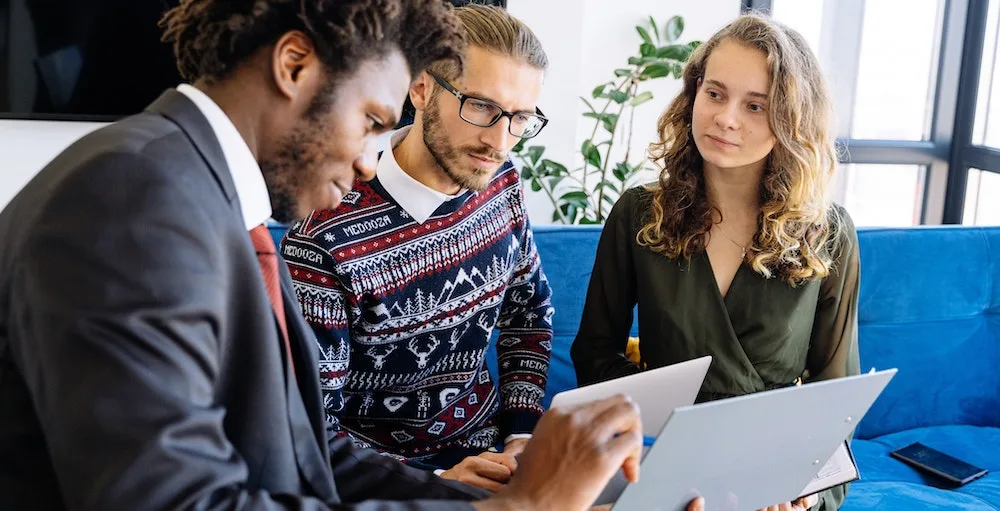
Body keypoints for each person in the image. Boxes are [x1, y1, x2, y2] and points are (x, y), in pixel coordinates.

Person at [0, 1, 683, 510]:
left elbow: (307, 454)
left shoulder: (196, 193)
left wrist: (508, 494)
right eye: (372, 123)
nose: (367, 162)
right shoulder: (131, 204)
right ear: (293, 66)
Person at [571, 13, 860, 511]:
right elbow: (594, 354)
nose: (727, 118)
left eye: (756, 106)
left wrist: (804, 497)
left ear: (792, 120)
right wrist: (665, 430)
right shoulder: (639, 215)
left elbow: (836, 398)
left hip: (777, 482)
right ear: (693, 94)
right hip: (671, 471)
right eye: (715, 94)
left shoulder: (827, 232)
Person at [282, 4, 552, 492]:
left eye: (520, 119)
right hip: (393, 487)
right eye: (482, 107)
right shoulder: (324, 238)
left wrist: (521, 435)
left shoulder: (501, 181)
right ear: (422, 88)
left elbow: (528, 314)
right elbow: (311, 429)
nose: (500, 140)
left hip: (496, 461)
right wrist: (435, 482)